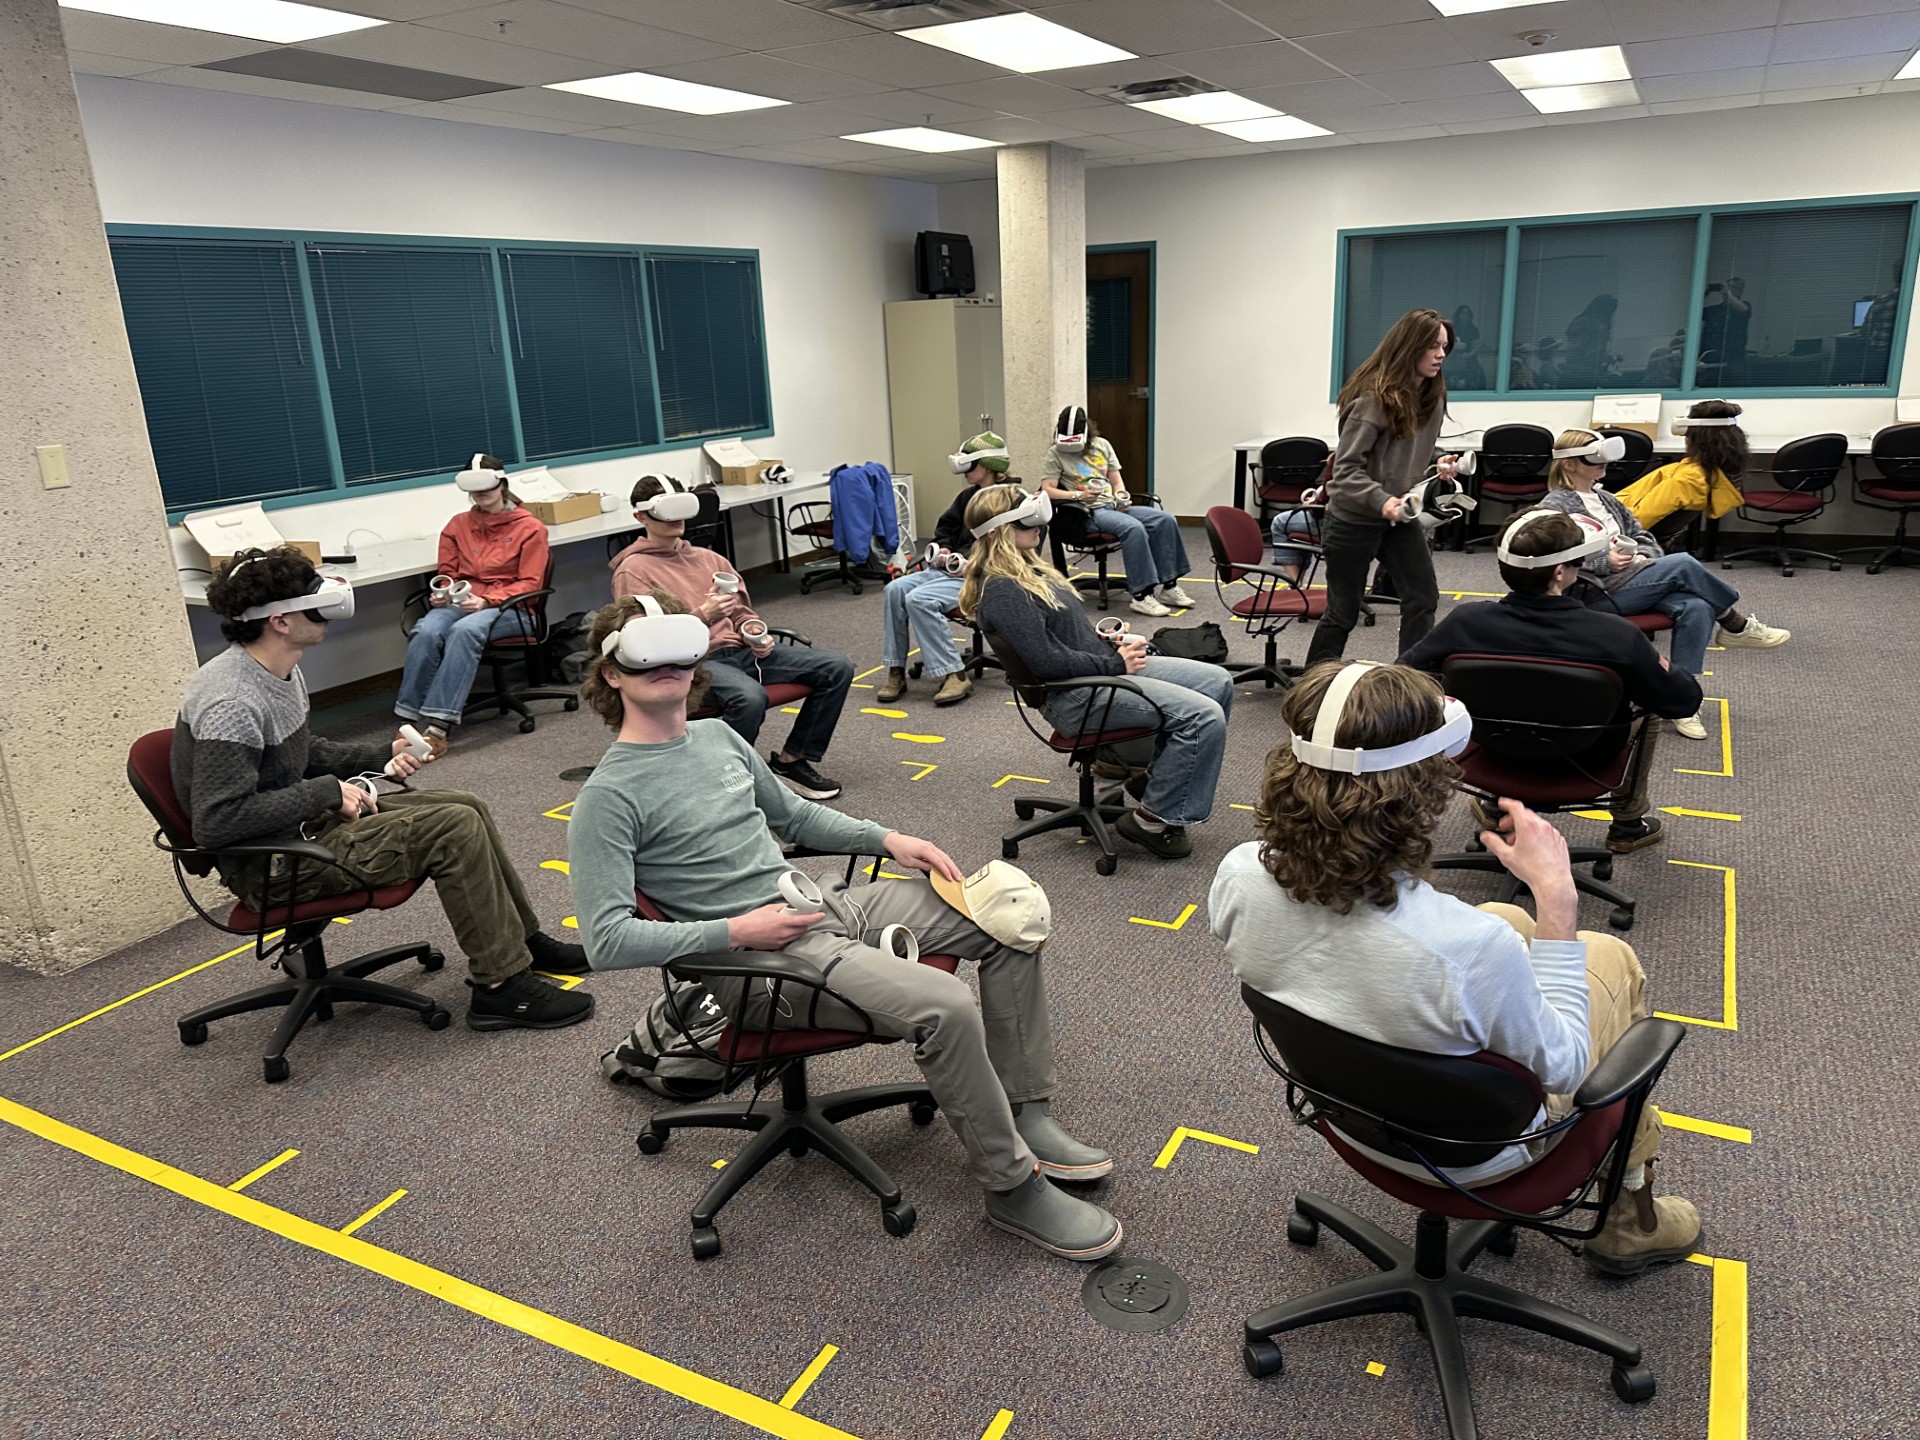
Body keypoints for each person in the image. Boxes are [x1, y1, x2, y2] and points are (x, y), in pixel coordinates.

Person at [567, 592, 1121, 1262]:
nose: (668, 666)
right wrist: (736, 932)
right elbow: (607, 940)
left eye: (675, 650)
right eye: (644, 654)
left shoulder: (717, 738)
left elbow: (796, 820)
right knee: (945, 1004)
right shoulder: (606, 798)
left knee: (1007, 917)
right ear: (612, 674)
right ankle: (1010, 1187)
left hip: (821, 907)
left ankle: (1024, 1111)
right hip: (761, 964)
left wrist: (890, 839)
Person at [1210, 661, 1701, 1275]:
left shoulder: (1238, 872)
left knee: (1501, 914)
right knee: (1608, 957)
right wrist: (1556, 899)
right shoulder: (1466, 948)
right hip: (1479, 1156)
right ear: (1424, 791)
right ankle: (1632, 1218)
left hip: (1347, 1113)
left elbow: (1338, 958)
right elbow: (1569, 1064)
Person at [175, 546, 593, 1031]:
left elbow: (299, 749)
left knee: (466, 804)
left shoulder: (277, 668)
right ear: (280, 622)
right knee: (451, 828)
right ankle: (500, 988)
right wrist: (328, 793)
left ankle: (521, 941)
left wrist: (381, 754)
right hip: (273, 864)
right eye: (313, 603)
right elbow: (217, 820)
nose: (327, 611)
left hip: (304, 831)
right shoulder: (232, 700)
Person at [1400, 510, 1702, 852]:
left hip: (1489, 750)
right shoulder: (1617, 635)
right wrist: (1662, 667)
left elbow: (1404, 676)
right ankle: (1628, 823)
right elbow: (1683, 701)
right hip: (1587, 758)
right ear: (1560, 573)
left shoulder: (1466, 621)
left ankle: (1498, 801)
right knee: (1649, 709)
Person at [960, 483, 1232, 860]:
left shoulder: (1029, 571)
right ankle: (1153, 820)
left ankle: (1159, 782)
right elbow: (1048, 663)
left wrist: (1111, 644)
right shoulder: (1005, 591)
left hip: (1094, 672)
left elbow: (1066, 640)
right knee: (1203, 716)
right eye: (1027, 522)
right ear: (996, 534)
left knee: (1217, 681)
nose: (1038, 527)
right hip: (1074, 695)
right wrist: (1114, 664)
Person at [611, 474, 853, 802]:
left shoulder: (710, 559)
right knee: (749, 698)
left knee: (836, 667)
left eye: (682, 509)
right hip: (691, 662)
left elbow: (742, 614)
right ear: (641, 517)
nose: (677, 519)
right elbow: (648, 640)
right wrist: (703, 616)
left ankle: (791, 761)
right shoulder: (634, 571)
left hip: (740, 652)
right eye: (666, 512)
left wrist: (754, 631)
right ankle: (724, 777)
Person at [1536, 430, 1788, 739]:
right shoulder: (1554, 506)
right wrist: (1605, 562)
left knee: (1695, 606)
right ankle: (1735, 623)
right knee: (1682, 564)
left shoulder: (1606, 499)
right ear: (1571, 464)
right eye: (1594, 459)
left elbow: (1643, 535)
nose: (1603, 465)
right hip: (1591, 593)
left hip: (1631, 581)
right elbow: (1550, 557)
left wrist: (1642, 555)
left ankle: (1682, 699)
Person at [1304, 308, 1457, 667]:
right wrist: (1382, 501)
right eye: (1433, 346)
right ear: (1409, 346)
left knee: (1422, 598)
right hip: (1353, 519)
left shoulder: (1431, 396)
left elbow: (1406, 443)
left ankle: (1409, 681)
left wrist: (1439, 458)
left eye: (1445, 347)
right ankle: (1312, 688)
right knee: (1343, 612)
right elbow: (1345, 472)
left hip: (1398, 516)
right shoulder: (1372, 400)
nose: (1440, 355)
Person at [394, 454, 550, 756]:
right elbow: (446, 573)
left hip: (512, 609)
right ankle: (408, 721)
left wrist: (488, 599)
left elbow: (531, 584)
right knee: (427, 628)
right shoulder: (458, 525)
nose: (481, 494)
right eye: (474, 488)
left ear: (501, 484)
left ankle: (437, 728)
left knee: (465, 630)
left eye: (487, 487)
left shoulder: (529, 528)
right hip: (462, 601)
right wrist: (441, 592)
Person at [874, 431, 1009, 708]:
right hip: (949, 570)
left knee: (918, 599)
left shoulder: (1011, 501)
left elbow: (1011, 549)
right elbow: (944, 529)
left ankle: (955, 674)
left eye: (970, 466)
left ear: (987, 466)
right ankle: (896, 669)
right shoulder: (966, 497)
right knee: (894, 589)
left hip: (982, 576)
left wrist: (973, 564)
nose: (964, 473)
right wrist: (944, 549)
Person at [1038, 405, 1195, 619]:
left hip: (1112, 506)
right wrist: (1078, 496)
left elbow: (1117, 481)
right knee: (1133, 528)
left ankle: (1169, 586)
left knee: (1165, 519)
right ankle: (1141, 596)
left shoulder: (1102, 446)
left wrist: (1121, 496)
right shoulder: (1055, 453)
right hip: (1087, 512)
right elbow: (1048, 489)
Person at [1615, 399, 1750, 550]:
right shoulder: (1712, 473)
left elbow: (1637, 521)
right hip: (1618, 510)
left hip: (1615, 525)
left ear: (1697, 439)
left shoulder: (1687, 479)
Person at [1696, 277, 1751, 386]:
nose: (1728, 290)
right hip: (1709, 361)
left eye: (1734, 288)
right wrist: (1706, 291)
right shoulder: (1714, 310)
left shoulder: (1744, 307)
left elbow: (1744, 310)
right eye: (1727, 287)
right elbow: (1694, 311)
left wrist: (1727, 292)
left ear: (1740, 291)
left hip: (1733, 362)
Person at [1560, 293, 1618, 390]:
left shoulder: (1580, 322)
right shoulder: (1598, 326)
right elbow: (1590, 354)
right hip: (1580, 378)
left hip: (1570, 376)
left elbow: (1577, 350)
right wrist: (1607, 358)